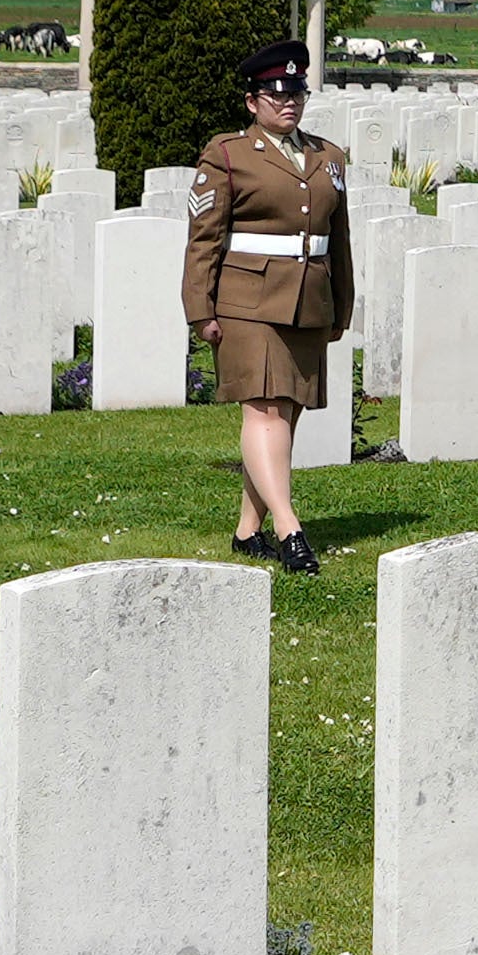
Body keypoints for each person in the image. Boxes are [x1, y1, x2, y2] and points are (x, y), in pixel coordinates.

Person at [183, 38, 352, 567]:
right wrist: (200, 308)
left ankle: (247, 528)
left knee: (289, 415)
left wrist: (341, 306)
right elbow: (204, 236)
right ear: (252, 102)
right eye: (275, 94)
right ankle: (289, 528)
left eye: (296, 92)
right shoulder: (228, 155)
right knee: (265, 411)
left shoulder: (329, 157)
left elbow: (337, 239)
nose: (288, 102)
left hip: (308, 302)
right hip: (247, 303)